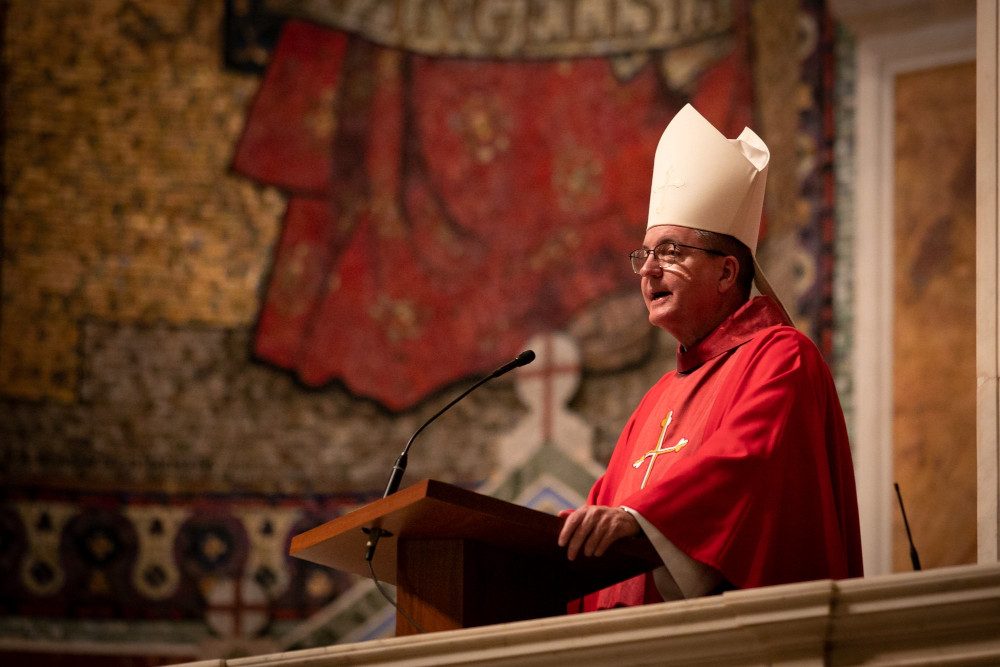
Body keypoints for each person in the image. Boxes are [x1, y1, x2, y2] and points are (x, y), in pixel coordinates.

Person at [557, 104, 863, 609]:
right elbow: (601, 512)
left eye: (671, 252)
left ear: (726, 274)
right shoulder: (656, 400)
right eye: (645, 253)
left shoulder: (782, 357)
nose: (648, 271)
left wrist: (642, 520)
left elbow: (746, 465)